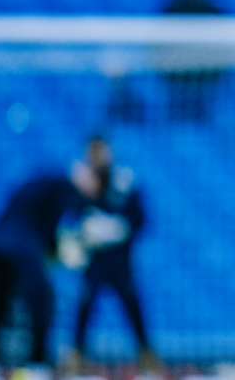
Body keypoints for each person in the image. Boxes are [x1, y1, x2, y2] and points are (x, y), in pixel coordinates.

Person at [0, 172, 91, 380]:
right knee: (43, 304)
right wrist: (60, 251)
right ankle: (37, 366)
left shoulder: (40, 181)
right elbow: (50, 229)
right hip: (23, 247)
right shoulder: (63, 187)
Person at [62, 137, 161, 376]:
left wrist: (119, 228)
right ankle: (76, 357)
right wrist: (83, 235)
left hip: (119, 262)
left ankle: (146, 356)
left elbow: (141, 219)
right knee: (84, 308)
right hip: (94, 262)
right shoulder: (82, 184)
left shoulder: (124, 182)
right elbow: (71, 219)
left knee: (133, 306)